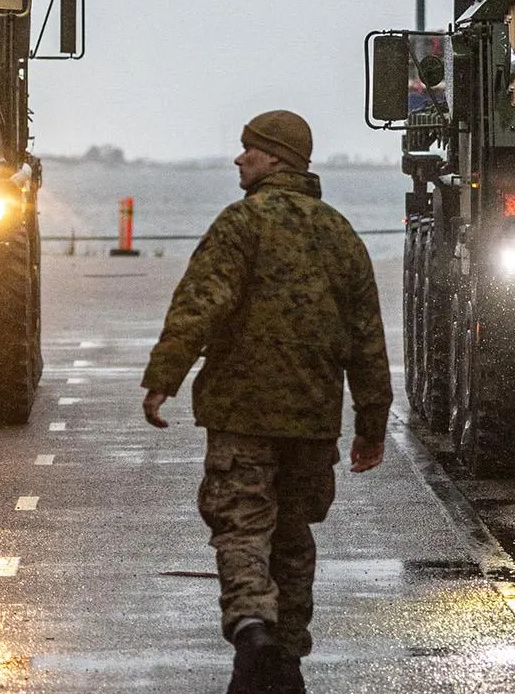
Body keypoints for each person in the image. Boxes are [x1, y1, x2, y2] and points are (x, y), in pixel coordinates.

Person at [141, 109, 391, 694]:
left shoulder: (241, 224)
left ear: (274, 158)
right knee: (294, 539)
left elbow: (199, 304)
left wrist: (163, 377)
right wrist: (371, 424)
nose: (239, 158)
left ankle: (252, 625)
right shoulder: (341, 235)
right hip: (311, 420)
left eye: (248, 149)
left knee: (243, 529)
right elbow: (368, 339)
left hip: (241, 415)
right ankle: (283, 664)